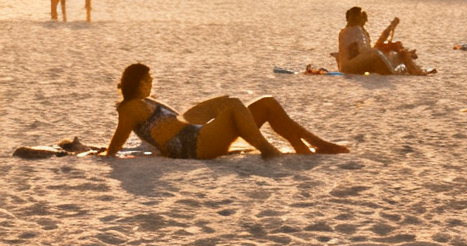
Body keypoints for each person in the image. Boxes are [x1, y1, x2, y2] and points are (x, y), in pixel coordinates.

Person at [105, 63, 347, 159]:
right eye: (147, 79)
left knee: (266, 103)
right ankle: (268, 150)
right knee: (232, 105)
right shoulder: (129, 108)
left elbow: (168, 124)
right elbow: (118, 140)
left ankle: (308, 144)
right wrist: (107, 154)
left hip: (193, 133)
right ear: (135, 82)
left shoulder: (145, 101)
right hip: (191, 146)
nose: (151, 83)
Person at [338, 7, 434, 76]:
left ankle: (415, 69)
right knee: (377, 53)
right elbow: (361, 51)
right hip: (351, 65)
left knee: (394, 54)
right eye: (362, 20)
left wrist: (391, 27)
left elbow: (368, 49)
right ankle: (396, 72)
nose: (363, 24)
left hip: (358, 62)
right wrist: (391, 27)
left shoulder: (356, 31)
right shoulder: (352, 31)